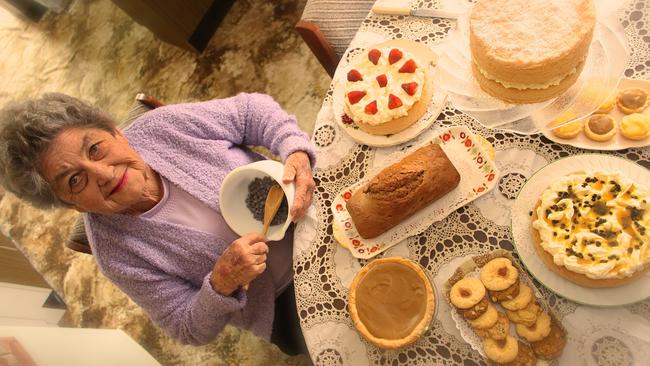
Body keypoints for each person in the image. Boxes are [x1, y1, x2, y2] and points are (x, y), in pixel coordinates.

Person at [0, 93, 316, 353]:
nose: (105, 174)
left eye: (95, 148)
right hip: (285, 304)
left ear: (114, 130)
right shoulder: (115, 256)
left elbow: (250, 112)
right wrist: (221, 281)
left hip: (313, 213)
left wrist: (295, 150)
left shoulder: (161, 128)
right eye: (74, 180)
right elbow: (185, 326)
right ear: (72, 205)